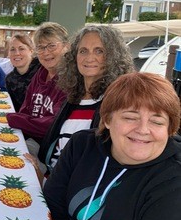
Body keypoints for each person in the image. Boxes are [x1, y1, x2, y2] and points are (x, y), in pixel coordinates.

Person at [43, 72, 181, 220]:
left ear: (170, 128)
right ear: (107, 119)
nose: (143, 129)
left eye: (157, 121)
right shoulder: (81, 146)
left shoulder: (173, 181)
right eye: (130, 117)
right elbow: (52, 207)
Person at [34, 25, 134, 178]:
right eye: (83, 51)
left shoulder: (116, 104)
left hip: (69, 193)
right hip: (52, 176)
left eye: (99, 51)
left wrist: (42, 180)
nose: (89, 57)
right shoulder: (73, 100)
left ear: (113, 56)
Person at [6, 22, 69, 155]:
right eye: (41, 47)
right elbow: (26, 107)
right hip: (30, 139)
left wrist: (14, 119)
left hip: (51, 151)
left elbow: (53, 126)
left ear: (66, 46)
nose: (46, 52)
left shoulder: (70, 80)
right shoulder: (41, 73)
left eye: (51, 46)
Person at [5, 33, 41, 111]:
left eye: (21, 49)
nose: (17, 53)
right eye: (12, 49)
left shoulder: (43, 70)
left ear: (31, 51)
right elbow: (15, 109)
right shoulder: (9, 79)